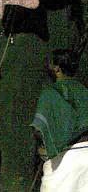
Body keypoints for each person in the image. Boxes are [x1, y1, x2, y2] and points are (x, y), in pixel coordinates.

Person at [30, 49, 88, 192]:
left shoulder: (51, 93)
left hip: (64, 159)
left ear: (57, 68)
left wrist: (44, 144)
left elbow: (39, 129)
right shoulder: (85, 92)